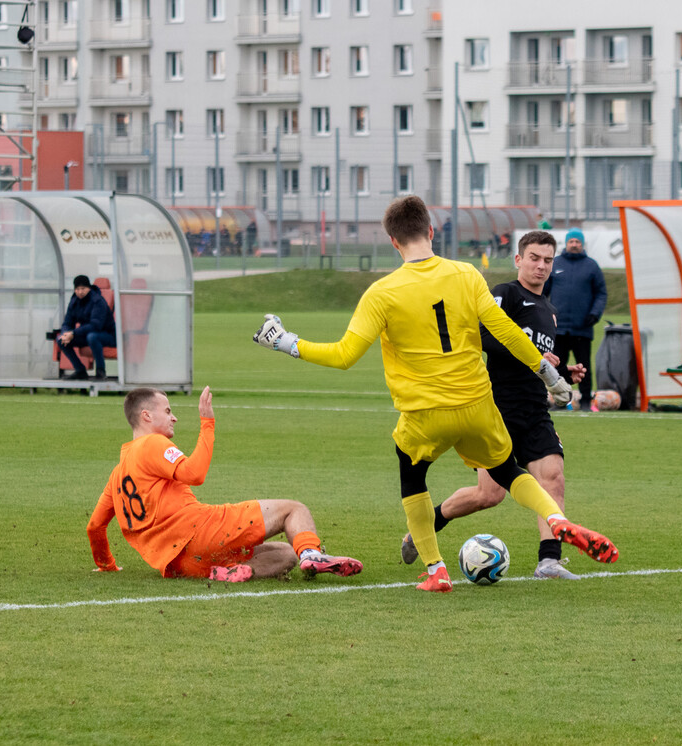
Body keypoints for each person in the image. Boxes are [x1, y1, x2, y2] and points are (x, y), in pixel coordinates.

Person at [253, 195, 618, 593]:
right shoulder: (466, 275)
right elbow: (507, 332)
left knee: (413, 477)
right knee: (508, 472)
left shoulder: (382, 292)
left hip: (425, 413)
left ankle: (435, 570)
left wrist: (286, 342)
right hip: (478, 404)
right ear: (431, 231)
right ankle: (557, 520)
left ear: (393, 241)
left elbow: (343, 356)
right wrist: (550, 374)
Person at [398, 230, 588, 580]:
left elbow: (538, 360)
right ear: (518, 260)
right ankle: (426, 526)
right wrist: (530, 355)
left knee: (553, 478)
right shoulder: (506, 294)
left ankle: (549, 561)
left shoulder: (550, 310)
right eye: (534, 258)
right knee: (489, 494)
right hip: (495, 409)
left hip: (534, 411)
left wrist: (561, 371)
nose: (541, 266)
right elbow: (482, 336)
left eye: (548, 260)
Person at [87, 386, 363, 583]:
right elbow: (194, 474)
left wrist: (107, 566)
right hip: (200, 531)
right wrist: (207, 423)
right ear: (146, 416)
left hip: (181, 564)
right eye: (168, 410)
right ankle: (313, 555)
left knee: (288, 554)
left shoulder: (117, 474)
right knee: (294, 510)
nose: (174, 417)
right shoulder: (152, 443)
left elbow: (95, 526)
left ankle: (238, 571)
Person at [543, 227, 607, 411]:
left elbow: (601, 293)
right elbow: (542, 292)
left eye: (577, 242)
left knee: (584, 367)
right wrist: (546, 314)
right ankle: (559, 401)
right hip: (559, 328)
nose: (574, 244)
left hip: (582, 327)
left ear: (582, 244)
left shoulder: (591, 266)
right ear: (567, 243)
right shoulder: (555, 264)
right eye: (571, 241)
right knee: (557, 367)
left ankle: (586, 401)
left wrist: (595, 313)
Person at [57, 274, 117, 380]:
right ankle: (80, 370)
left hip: (108, 335)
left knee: (92, 336)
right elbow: (67, 322)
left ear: (89, 288)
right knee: (60, 340)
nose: (80, 292)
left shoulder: (97, 301)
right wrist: (65, 333)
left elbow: (96, 325)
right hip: (87, 334)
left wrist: (74, 333)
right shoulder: (74, 301)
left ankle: (100, 371)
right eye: (77, 289)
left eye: (83, 288)